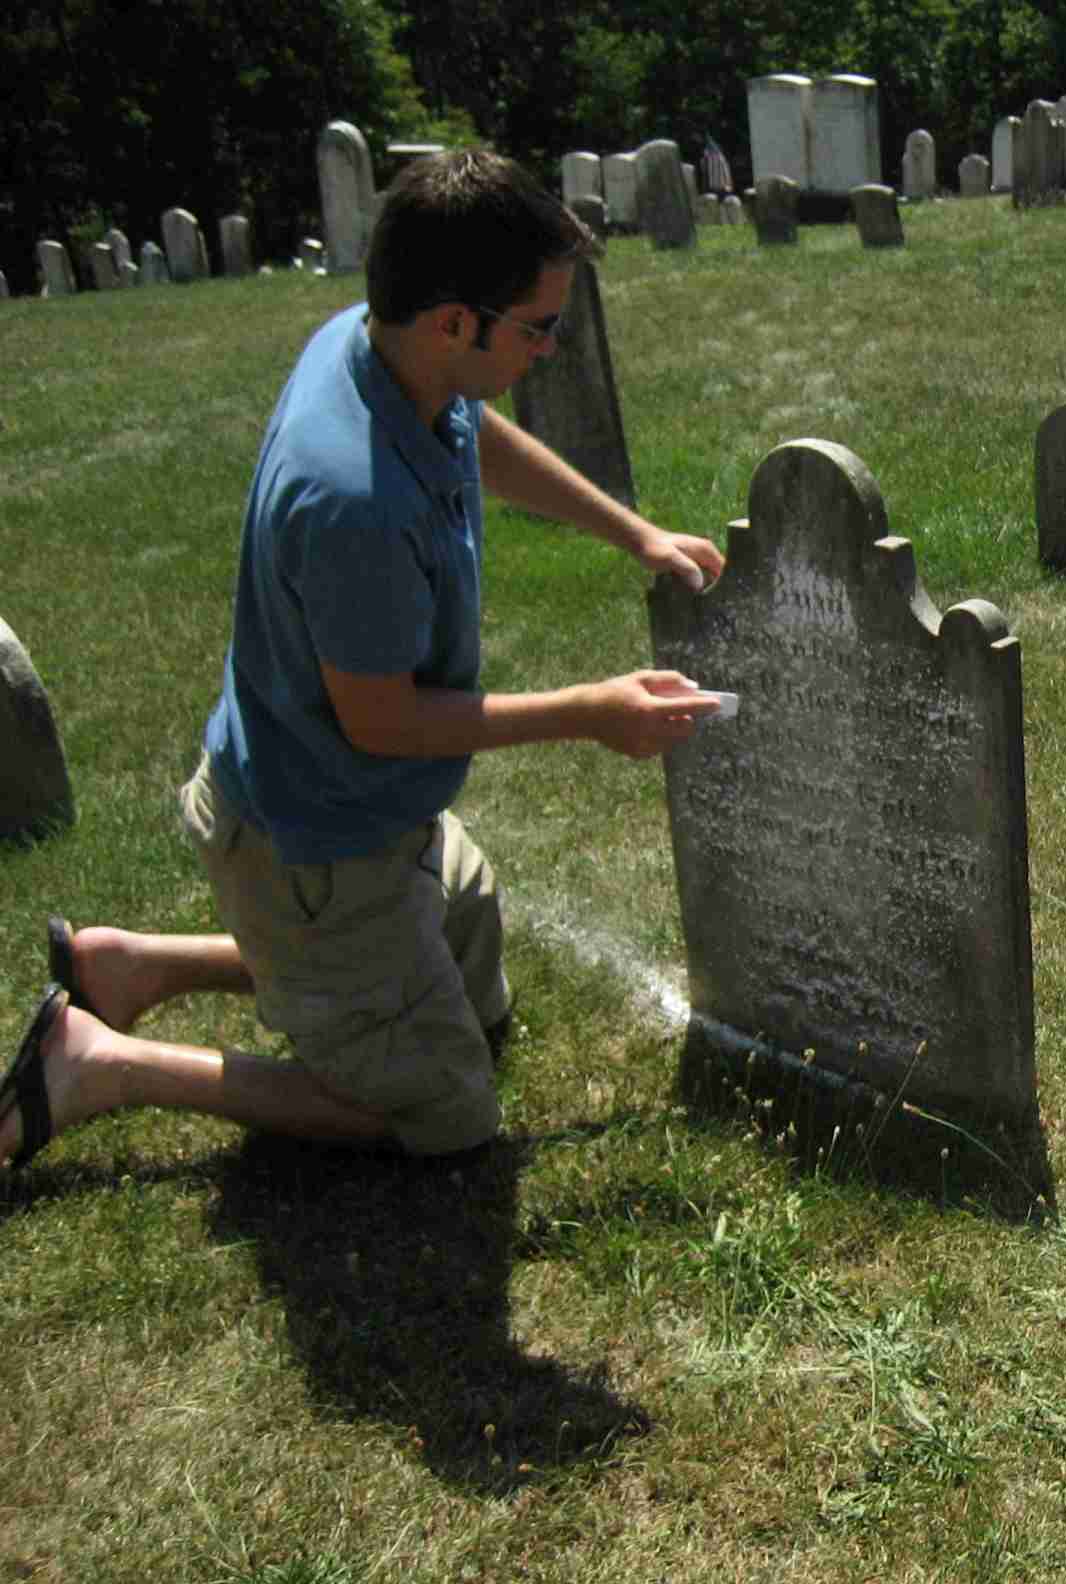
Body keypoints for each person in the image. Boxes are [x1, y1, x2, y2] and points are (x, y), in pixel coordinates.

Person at [2, 150, 727, 1170]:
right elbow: (382, 722)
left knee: (469, 967)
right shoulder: (354, 500)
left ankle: (127, 964)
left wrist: (633, 533)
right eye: (539, 327)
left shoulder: (376, 345)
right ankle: (100, 1063)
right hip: (319, 843)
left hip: (356, 809)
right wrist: (589, 711)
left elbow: (475, 435)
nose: (550, 348)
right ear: (454, 323)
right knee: (443, 1110)